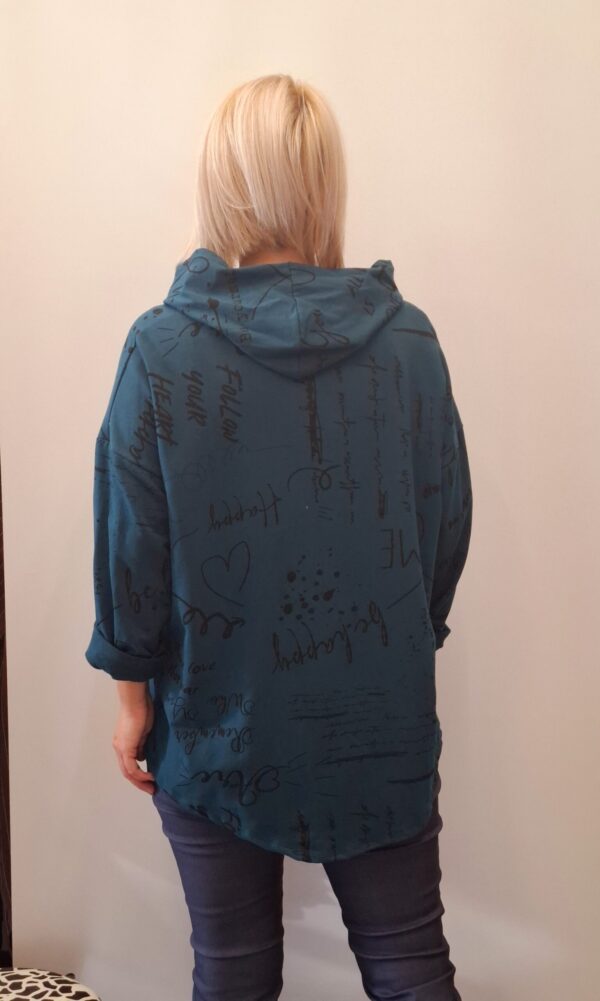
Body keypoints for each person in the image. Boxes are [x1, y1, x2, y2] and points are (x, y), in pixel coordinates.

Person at [85, 73, 472, 1001]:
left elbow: (133, 546)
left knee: (234, 974)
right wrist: (405, 643)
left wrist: (133, 697)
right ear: (324, 185)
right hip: (380, 726)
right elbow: (444, 526)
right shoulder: (410, 344)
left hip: (216, 726)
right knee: (411, 966)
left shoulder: (161, 349)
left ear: (220, 184)